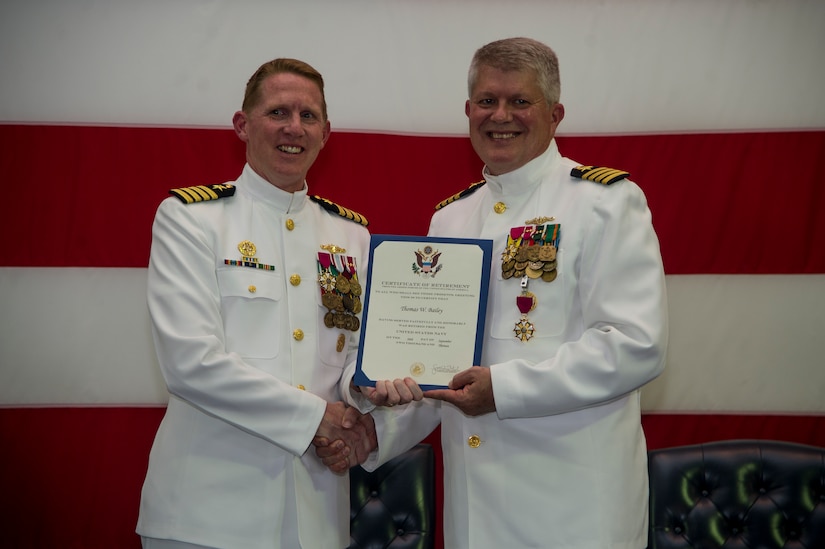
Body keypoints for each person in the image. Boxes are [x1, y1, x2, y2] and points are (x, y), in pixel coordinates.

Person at [331, 37, 669, 548]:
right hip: (474, 508)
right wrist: (379, 429)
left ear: (555, 114)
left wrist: (505, 389)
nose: (500, 116)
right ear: (468, 111)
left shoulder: (604, 202)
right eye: (487, 101)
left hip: (573, 508)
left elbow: (635, 345)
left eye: (520, 101)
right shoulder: (451, 218)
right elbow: (443, 369)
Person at [137, 58, 377, 549]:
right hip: (205, 516)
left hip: (317, 514)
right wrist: (318, 418)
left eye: (308, 116)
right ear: (243, 125)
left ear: (326, 132)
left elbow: (357, 357)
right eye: (278, 112)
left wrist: (367, 409)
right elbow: (191, 363)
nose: (294, 128)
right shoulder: (192, 220)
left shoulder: (352, 236)